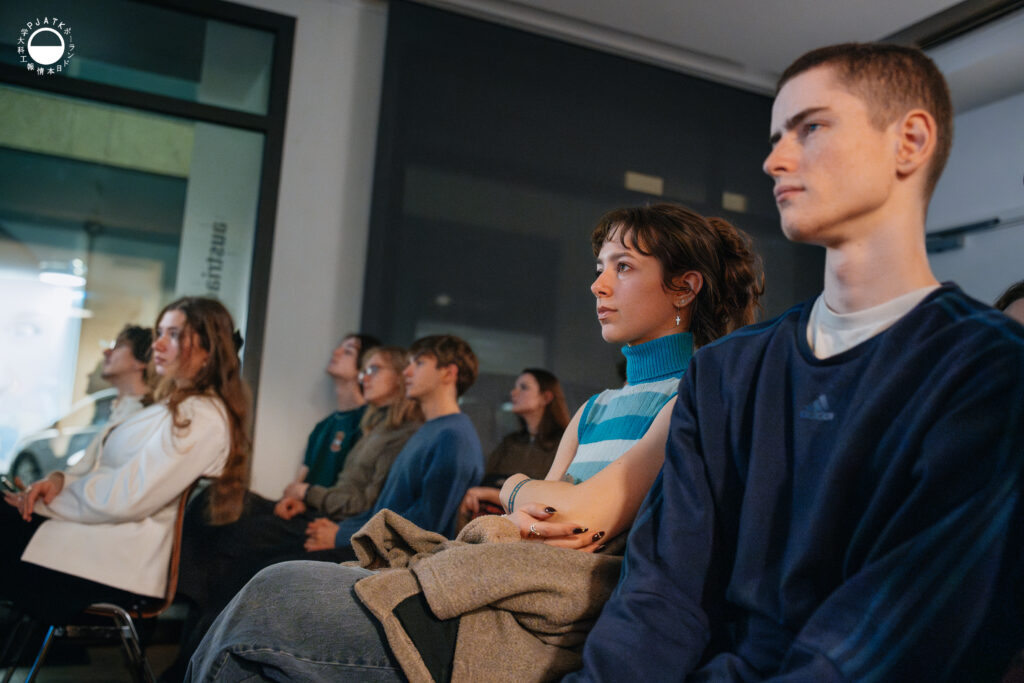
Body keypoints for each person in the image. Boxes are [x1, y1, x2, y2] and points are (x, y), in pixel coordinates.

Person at [569, 43, 1024, 682]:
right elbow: (661, 594)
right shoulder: (724, 373)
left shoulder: (991, 371)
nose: (776, 159)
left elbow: (899, 636)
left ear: (910, 141)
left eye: (810, 128)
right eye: (777, 134)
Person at [186, 204, 764, 681]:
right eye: (599, 264)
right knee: (272, 594)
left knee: (273, 599)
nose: (599, 283)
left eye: (625, 266)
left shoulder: (694, 395)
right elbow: (547, 519)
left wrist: (511, 488)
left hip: (560, 613)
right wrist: (529, 502)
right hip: (516, 574)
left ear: (685, 287)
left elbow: (569, 513)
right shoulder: (595, 409)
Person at [162, 346, 421, 682]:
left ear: (399, 378)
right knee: (215, 506)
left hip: (340, 525)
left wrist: (310, 497)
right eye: (365, 370)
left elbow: (367, 502)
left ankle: (195, 653)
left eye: (373, 370)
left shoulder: (403, 434)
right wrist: (302, 496)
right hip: (321, 511)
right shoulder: (377, 425)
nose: (364, 377)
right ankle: (191, 629)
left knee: (238, 550)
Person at [0, 296, 250, 623]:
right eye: (160, 332)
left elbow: (127, 497)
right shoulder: (173, 408)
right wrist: (57, 484)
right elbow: (108, 476)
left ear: (207, 349)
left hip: (110, 564)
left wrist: (48, 502)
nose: (158, 344)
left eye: (173, 335)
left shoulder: (202, 417)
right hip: (93, 543)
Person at [300, 334, 485, 557]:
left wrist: (342, 536)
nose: (407, 372)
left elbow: (426, 527)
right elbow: (387, 508)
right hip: (372, 542)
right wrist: (344, 531)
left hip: (390, 559)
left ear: (449, 372)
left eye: (419, 363)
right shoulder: (431, 429)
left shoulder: (454, 437)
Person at [459, 368, 569, 523]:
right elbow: (489, 479)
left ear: (546, 397)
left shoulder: (564, 442)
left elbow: (546, 498)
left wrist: (487, 493)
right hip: (492, 518)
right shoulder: (510, 442)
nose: (513, 393)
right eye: (515, 387)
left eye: (524, 387)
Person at [57, 325, 155, 482]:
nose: (106, 352)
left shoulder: (143, 417)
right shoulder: (120, 410)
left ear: (141, 361)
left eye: (119, 346)